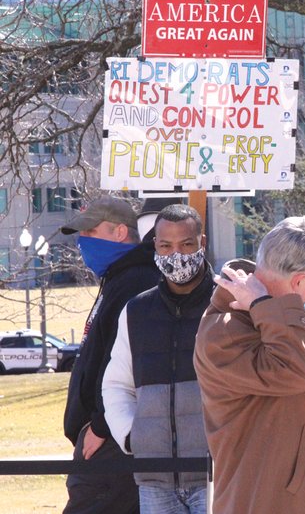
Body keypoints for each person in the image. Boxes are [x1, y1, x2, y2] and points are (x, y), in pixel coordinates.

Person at [194, 216, 305, 514]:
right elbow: (295, 373)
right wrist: (266, 306)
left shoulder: (280, 323)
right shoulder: (224, 332)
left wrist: (269, 310)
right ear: (300, 281)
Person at [102, 204, 213, 513]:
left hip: (215, 475)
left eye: (186, 244)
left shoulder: (228, 306)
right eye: (166, 245)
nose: (175, 254)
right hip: (155, 479)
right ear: (155, 247)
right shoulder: (136, 311)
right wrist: (131, 437)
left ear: (201, 244)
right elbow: (116, 384)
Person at [60, 196, 160, 514]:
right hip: (107, 439)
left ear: (119, 233)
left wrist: (101, 426)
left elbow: (130, 364)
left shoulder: (136, 282)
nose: (82, 241)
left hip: (113, 443)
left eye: (90, 232)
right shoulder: (119, 279)